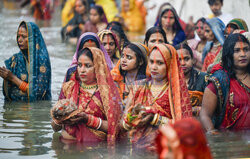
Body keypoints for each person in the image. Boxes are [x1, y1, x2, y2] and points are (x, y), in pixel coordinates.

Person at [121, 44, 192, 151]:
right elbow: (123, 125)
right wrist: (133, 118)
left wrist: (154, 118)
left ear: (169, 64)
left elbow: (185, 128)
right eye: (151, 62)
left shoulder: (176, 91)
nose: (153, 67)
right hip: (137, 150)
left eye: (160, 63)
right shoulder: (137, 87)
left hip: (166, 150)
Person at [51, 47, 122, 145]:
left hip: (94, 150)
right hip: (65, 148)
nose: (82, 70)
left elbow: (116, 128)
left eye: (88, 66)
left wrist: (88, 119)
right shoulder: (68, 88)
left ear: (97, 67)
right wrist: (60, 118)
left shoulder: (107, 92)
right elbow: (55, 128)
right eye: (79, 65)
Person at [200, 33, 250, 132]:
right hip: (231, 142)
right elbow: (205, 114)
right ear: (228, 53)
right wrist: (214, 134)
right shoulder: (220, 80)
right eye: (237, 51)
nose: (243, 54)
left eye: (246, 49)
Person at [0, 21, 51, 101]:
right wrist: (6, 77)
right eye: (18, 36)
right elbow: (7, 93)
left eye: (23, 37)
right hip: (15, 109)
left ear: (33, 38)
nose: (19, 40)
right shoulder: (15, 59)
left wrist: (12, 78)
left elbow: (38, 93)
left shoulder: (42, 61)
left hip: (35, 110)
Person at [175, 43, 208, 116]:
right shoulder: (169, 81)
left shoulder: (204, 78)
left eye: (186, 59)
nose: (183, 63)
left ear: (193, 60)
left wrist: (192, 110)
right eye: (179, 60)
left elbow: (210, 108)